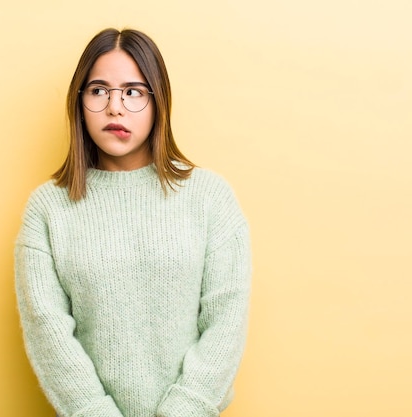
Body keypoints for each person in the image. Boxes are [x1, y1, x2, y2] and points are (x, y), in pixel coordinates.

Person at [14, 28, 251, 417]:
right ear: (79, 102)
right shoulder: (48, 209)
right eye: (98, 91)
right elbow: (48, 333)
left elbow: (226, 321)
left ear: (159, 102)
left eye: (133, 92)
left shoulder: (210, 198)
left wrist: (182, 410)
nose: (115, 108)